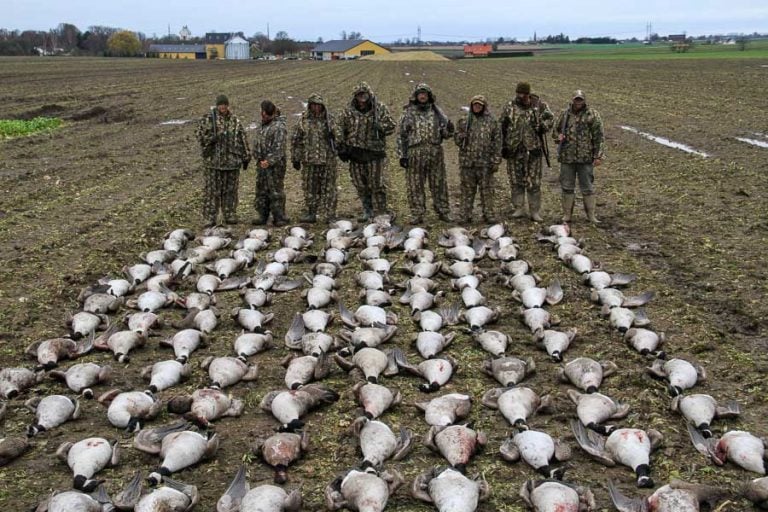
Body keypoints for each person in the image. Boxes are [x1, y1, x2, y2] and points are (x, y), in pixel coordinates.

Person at [337, 82, 396, 221]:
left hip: (374, 152)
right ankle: (367, 210)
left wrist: (381, 127)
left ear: (369, 95)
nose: (362, 97)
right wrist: (341, 146)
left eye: (364, 94)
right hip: (355, 153)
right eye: (359, 95)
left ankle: (381, 211)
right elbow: (339, 127)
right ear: (355, 96)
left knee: (377, 184)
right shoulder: (348, 111)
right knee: (360, 184)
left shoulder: (379, 109)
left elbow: (392, 126)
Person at [397, 83, 455, 224]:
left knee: (439, 183)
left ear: (429, 96)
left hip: (434, 152)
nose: (422, 96)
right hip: (414, 153)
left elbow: (446, 134)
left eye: (425, 93)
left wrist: (450, 129)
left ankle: (443, 211)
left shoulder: (437, 113)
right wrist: (402, 155)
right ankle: (417, 213)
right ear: (416, 96)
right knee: (415, 185)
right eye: (420, 93)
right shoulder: (408, 113)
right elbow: (401, 136)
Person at [500, 82, 554, 222]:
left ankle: (534, 211)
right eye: (518, 93)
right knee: (515, 180)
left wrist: (542, 126)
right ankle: (519, 208)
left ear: (528, 94)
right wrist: (503, 146)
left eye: (522, 94)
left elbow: (550, 120)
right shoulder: (510, 106)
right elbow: (502, 126)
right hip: (514, 150)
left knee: (534, 182)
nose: (519, 96)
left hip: (533, 151)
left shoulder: (539, 106)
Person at [195, 94, 250, 227]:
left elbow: (242, 138)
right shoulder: (208, 119)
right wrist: (210, 138)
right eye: (220, 105)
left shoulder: (235, 121)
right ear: (217, 105)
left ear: (227, 105)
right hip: (213, 163)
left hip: (231, 163)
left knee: (231, 191)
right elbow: (199, 135)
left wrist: (246, 156)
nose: (223, 107)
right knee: (212, 192)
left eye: (225, 104)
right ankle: (209, 217)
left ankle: (230, 214)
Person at [553, 90, 605, 224]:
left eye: (580, 99)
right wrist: (558, 137)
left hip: (585, 158)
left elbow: (599, 137)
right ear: (572, 100)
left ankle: (591, 216)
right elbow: (555, 130)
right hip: (567, 158)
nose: (578, 102)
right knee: (567, 187)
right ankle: (567, 215)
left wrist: (598, 156)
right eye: (576, 99)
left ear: (584, 100)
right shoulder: (565, 115)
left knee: (587, 187)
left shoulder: (592, 115)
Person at [453, 95, 502, 223]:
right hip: (467, 163)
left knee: (487, 190)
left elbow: (497, 143)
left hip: (485, 163)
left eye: (480, 105)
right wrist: (461, 136)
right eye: (475, 104)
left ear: (484, 106)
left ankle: (488, 214)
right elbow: (456, 140)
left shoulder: (492, 122)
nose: (477, 107)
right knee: (467, 190)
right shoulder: (464, 120)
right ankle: (465, 214)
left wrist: (496, 160)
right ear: (471, 105)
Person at [291, 93, 338, 223]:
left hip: (327, 160)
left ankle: (330, 214)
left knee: (329, 188)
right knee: (309, 188)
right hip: (309, 161)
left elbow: (340, 138)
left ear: (322, 106)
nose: (316, 107)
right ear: (310, 106)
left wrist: (334, 136)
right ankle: (311, 213)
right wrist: (296, 158)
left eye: (318, 105)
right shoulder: (303, 120)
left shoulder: (330, 120)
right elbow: (296, 140)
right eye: (313, 105)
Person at [251, 100, 289, 226]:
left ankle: (279, 217)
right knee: (261, 190)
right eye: (262, 114)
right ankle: (263, 215)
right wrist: (257, 156)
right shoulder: (262, 125)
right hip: (261, 164)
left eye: (266, 115)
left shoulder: (279, 127)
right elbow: (257, 143)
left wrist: (269, 161)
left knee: (275, 190)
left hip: (275, 166)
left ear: (272, 113)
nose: (263, 116)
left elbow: (279, 148)